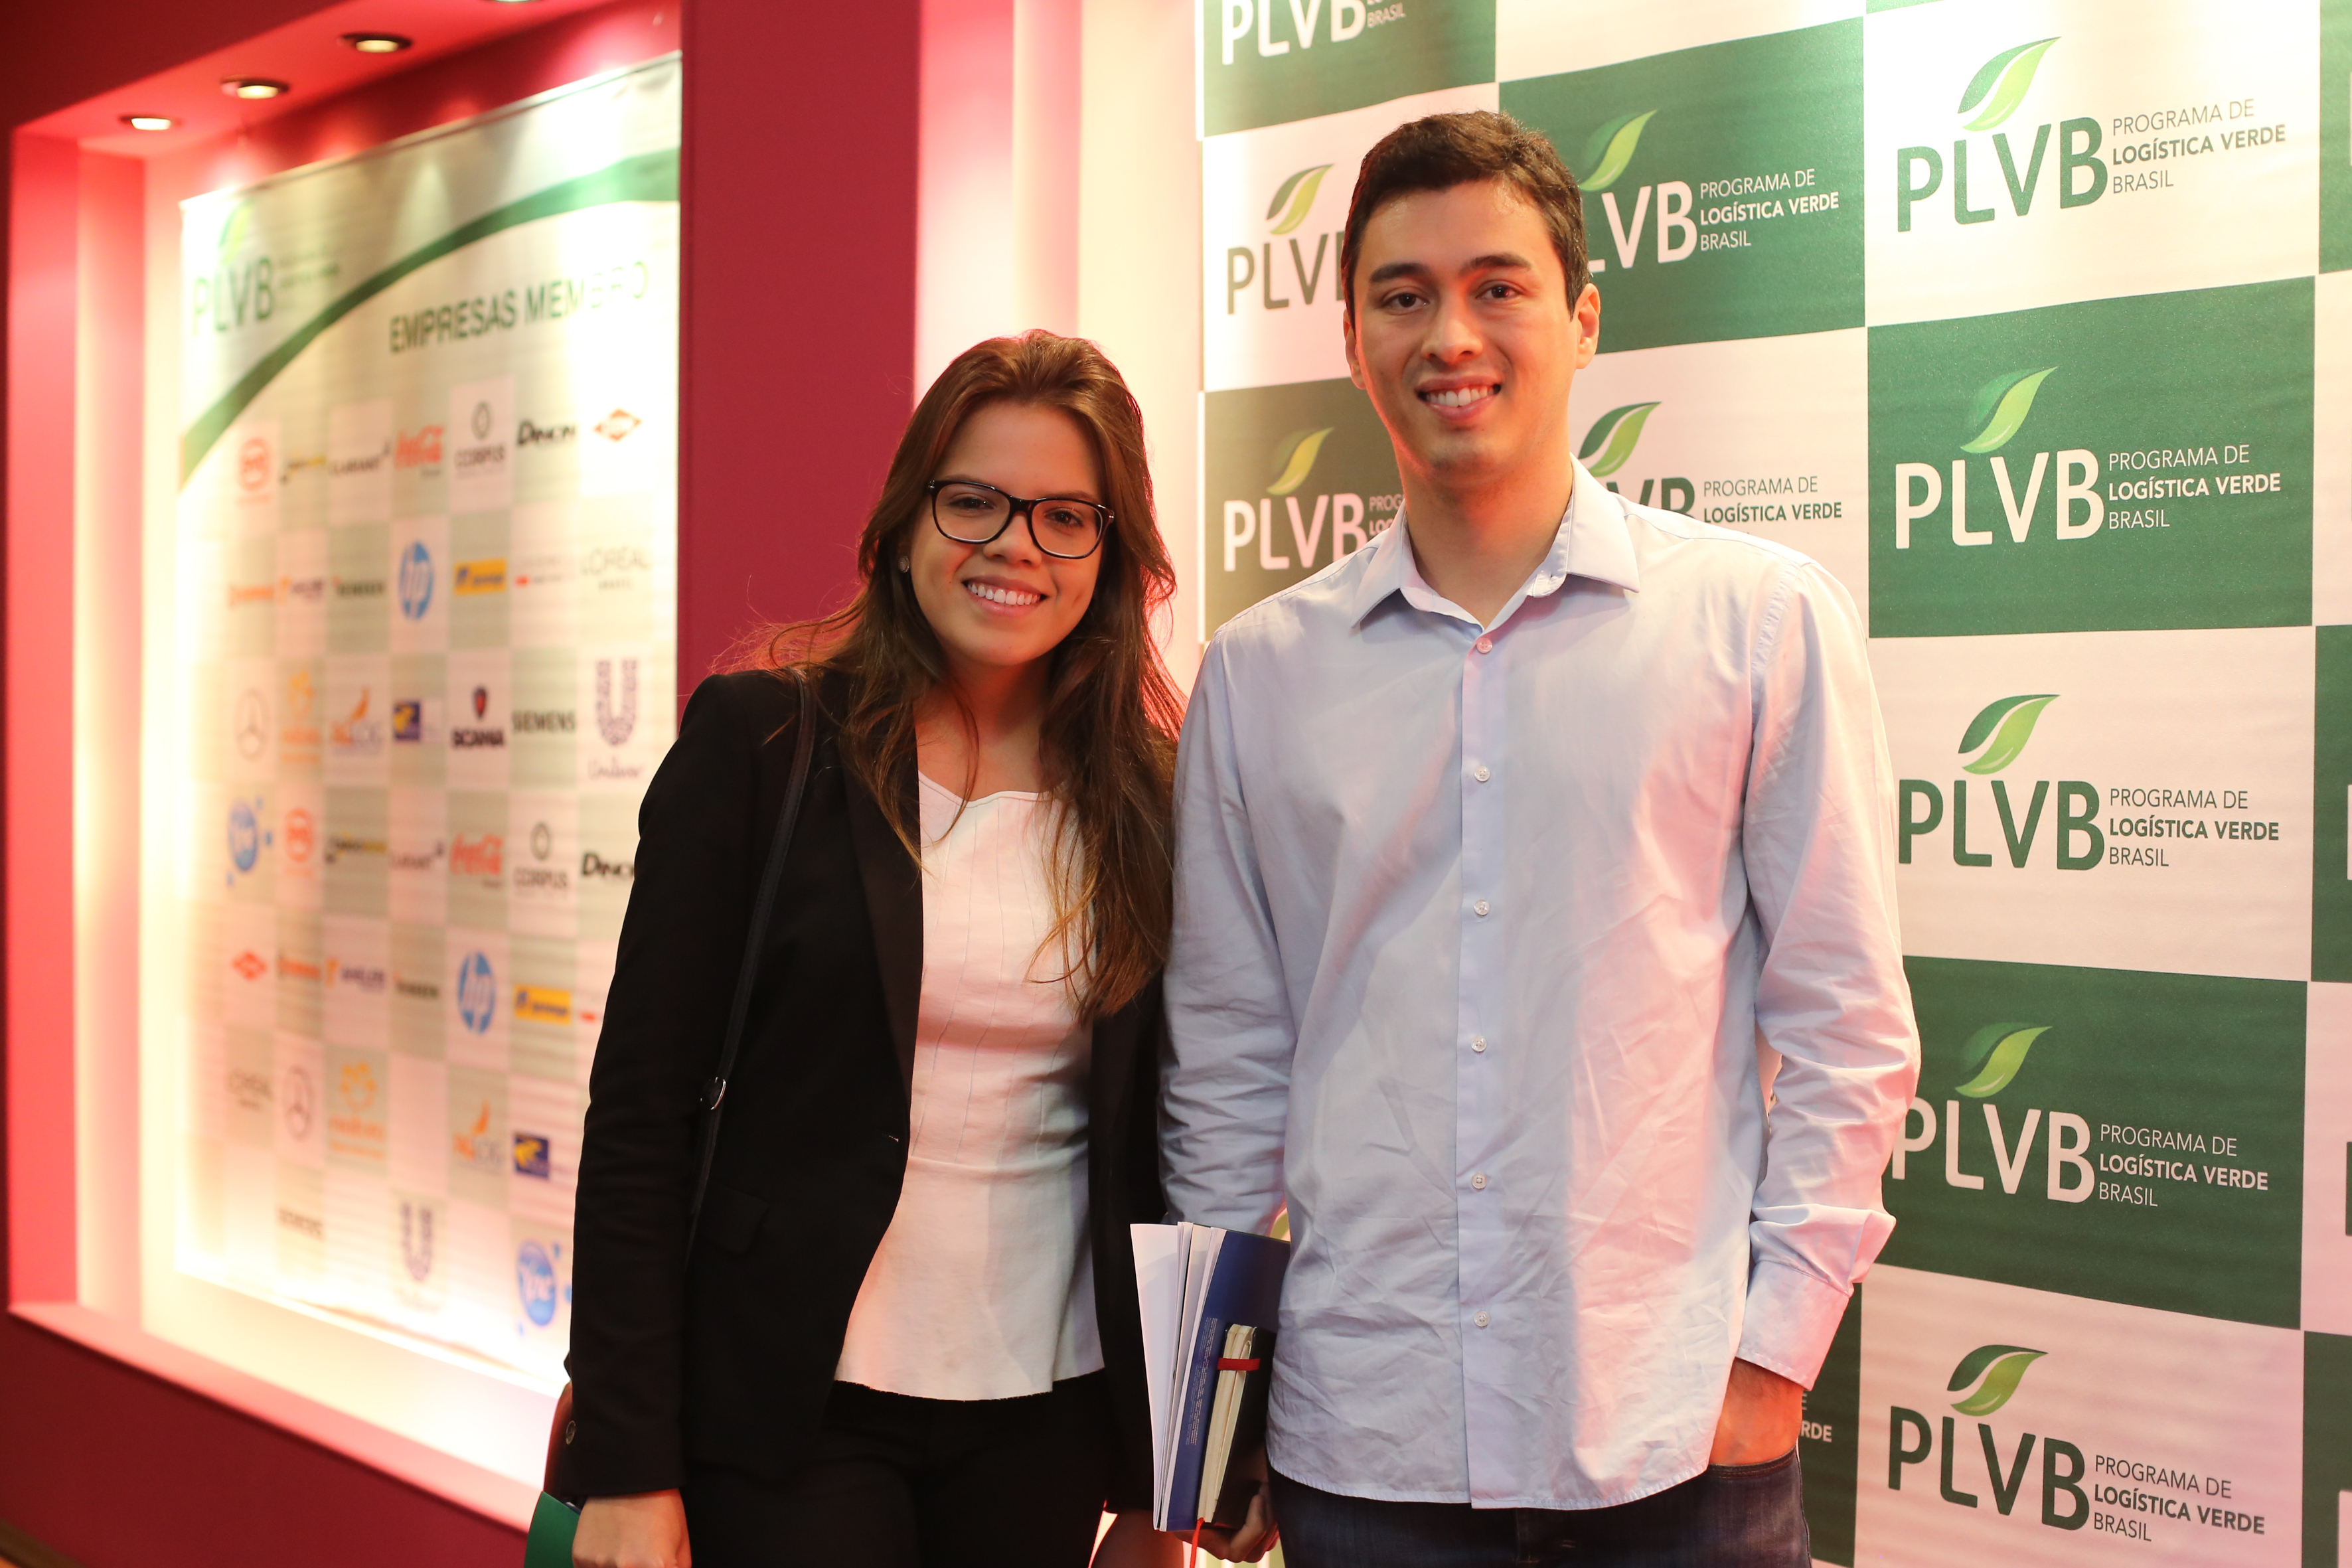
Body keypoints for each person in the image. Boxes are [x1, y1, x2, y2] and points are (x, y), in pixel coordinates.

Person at [1162, 110, 1920, 1567]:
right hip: (1361, 1446)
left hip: (1673, 1443)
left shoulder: (1756, 623)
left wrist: (1771, 1362)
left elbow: (1847, 1022)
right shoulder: (1258, 674)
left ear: (1581, 320)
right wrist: (1213, 1418)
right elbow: (1229, 1073)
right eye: (1403, 294)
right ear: (1350, 339)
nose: (1450, 333)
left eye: (1496, 286)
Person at [565, 332, 1192, 1568]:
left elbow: (1173, 1148)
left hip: (1049, 1410)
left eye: (1066, 516)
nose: (1015, 544)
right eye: (974, 501)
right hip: (791, 1402)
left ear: (1112, 557)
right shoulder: (763, 745)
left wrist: (1168, 1480)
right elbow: (638, 1115)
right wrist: (629, 1465)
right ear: (905, 526)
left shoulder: (1153, 799)